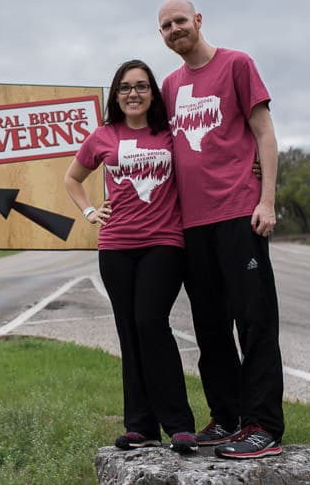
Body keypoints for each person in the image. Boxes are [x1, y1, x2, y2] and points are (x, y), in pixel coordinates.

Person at [157, 0, 284, 459]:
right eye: (166, 26)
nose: (174, 30)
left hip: (238, 214)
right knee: (210, 328)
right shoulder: (170, 85)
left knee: (255, 323)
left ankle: (264, 426)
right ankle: (227, 417)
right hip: (192, 224)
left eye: (180, 21)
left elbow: (264, 132)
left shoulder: (237, 65)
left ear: (199, 21)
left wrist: (266, 200)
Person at [64, 59, 198, 454]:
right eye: (125, 87)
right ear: (115, 94)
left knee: (150, 323)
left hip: (164, 242)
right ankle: (140, 426)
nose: (133, 93)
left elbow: (207, 160)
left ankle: (179, 424)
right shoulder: (103, 135)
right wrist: (90, 211)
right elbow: (73, 178)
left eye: (141, 86)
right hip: (116, 246)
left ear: (153, 93)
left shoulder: (170, 134)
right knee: (129, 330)